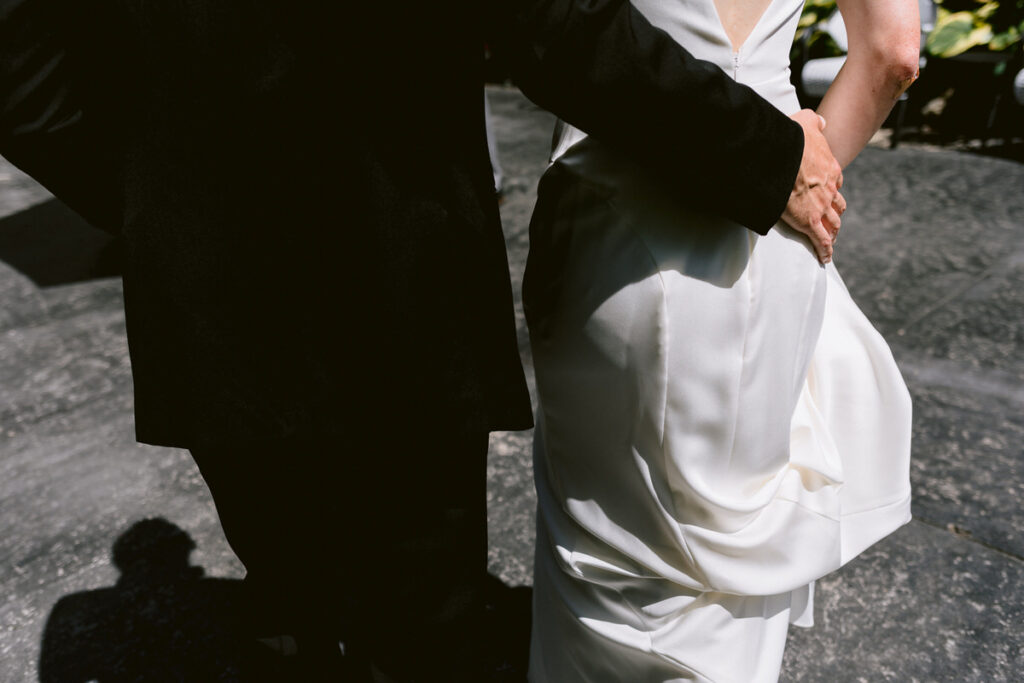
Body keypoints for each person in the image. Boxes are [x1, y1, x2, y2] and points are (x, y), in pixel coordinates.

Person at [1, 0, 842, 679]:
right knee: (422, 620)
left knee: (290, 569)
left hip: (215, 289)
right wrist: (766, 154)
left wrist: (163, 202)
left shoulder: (76, 622)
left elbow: (23, 74)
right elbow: (551, 25)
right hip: (394, 266)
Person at [524, 0, 921, 680]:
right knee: (737, 571)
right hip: (772, 218)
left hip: (619, 216)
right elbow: (892, 51)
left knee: (601, 559)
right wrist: (801, 182)